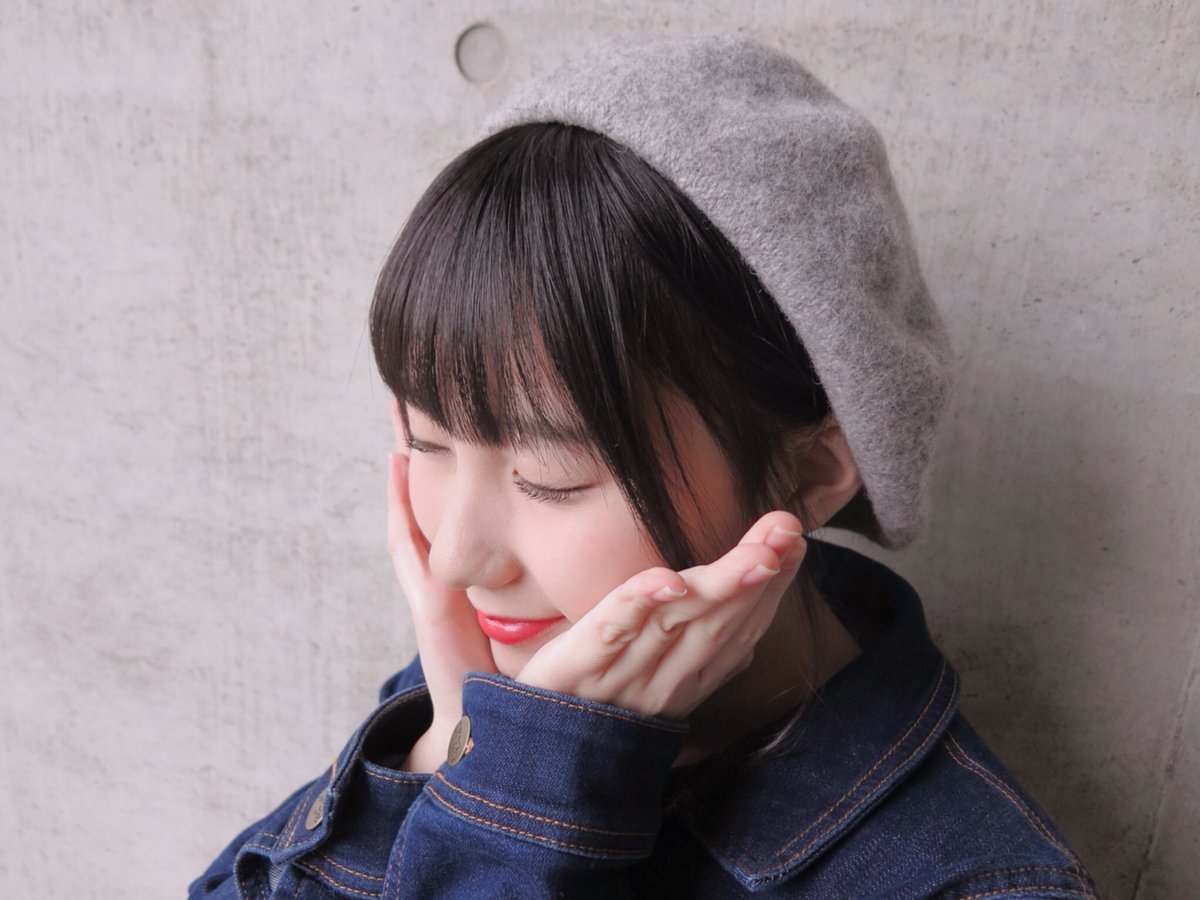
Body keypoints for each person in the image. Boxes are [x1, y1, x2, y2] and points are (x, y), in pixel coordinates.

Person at [189, 33, 1099, 899]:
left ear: (814, 472)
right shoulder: (486, 680)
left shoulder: (970, 882)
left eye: (550, 477)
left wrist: (521, 801)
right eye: (428, 442)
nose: (457, 560)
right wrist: (453, 753)